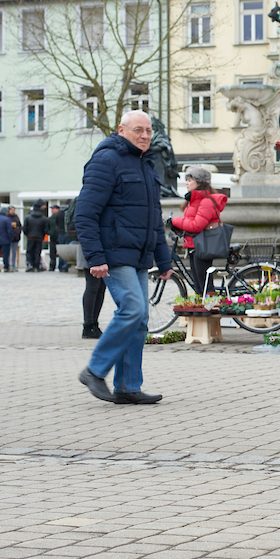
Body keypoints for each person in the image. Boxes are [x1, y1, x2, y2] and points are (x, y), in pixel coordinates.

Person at [76, 110, 174, 404]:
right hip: (113, 253)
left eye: (148, 130)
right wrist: (95, 258)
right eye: (137, 130)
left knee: (140, 318)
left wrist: (164, 259)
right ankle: (94, 370)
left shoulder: (146, 164)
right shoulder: (106, 160)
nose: (144, 135)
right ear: (121, 130)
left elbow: (154, 219)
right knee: (131, 309)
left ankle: (128, 386)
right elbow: (85, 213)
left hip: (139, 255)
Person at [170, 166, 228, 294]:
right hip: (194, 245)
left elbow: (196, 225)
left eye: (190, 180)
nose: (186, 183)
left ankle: (211, 309)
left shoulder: (206, 201)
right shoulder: (194, 200)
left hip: (203, 246)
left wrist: (175, 221)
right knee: (199, 286)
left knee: (205, 286)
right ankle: (202, 310)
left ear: (199, 182)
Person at [65, 198, 105, 339]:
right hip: (90, 248)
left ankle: (93, 324)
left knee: (100, 287)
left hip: (98, 247)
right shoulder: (88, 199)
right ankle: (88, 325)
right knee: (93, 287)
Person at [24, 202, 48, 272]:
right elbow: (46, 229)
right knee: (37, 252)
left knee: (29, 251)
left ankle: (29, 265)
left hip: (30, 237)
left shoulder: (28, 217)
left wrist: (28, 235)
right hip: (39, 237)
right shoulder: (44, 218)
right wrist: (42, 235)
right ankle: (36, 266)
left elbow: (25, 228)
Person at [48, 204, 68, 272]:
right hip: (54, 237)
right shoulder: (50, 218)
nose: (52, 210)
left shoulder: (59, 215)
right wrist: (50, 233)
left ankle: (61, 266)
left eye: (53, 209)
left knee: (61, 252)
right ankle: (53, 266)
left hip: (59, 235)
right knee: (54, 253)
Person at [5, 205, 23, 271]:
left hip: (16, 237)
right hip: (8, 237)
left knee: (14, 252)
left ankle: (13, 265)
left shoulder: (16, 217)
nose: (13, 211)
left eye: (14, 210)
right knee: (8, 252)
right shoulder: (6, 217)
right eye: (11, 210)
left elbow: (20, 225)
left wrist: (18, 231)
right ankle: (8, 265)